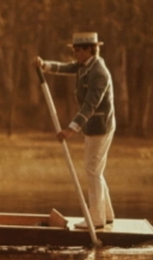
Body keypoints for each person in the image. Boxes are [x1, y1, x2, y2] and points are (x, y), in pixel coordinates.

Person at [34, 32, 115, 229]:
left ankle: (96, 219)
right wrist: (44, 65)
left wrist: (70, 130)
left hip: (100, 127)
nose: (75, 53)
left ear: (89, 49)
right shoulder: (84, 66)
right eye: (74, 50)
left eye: (78, 50)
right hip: (92, 127)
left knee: (92, 171)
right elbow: (65, 67)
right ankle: (107, 215)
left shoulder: (99, 73)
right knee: (96, 169)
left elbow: (90, 105)